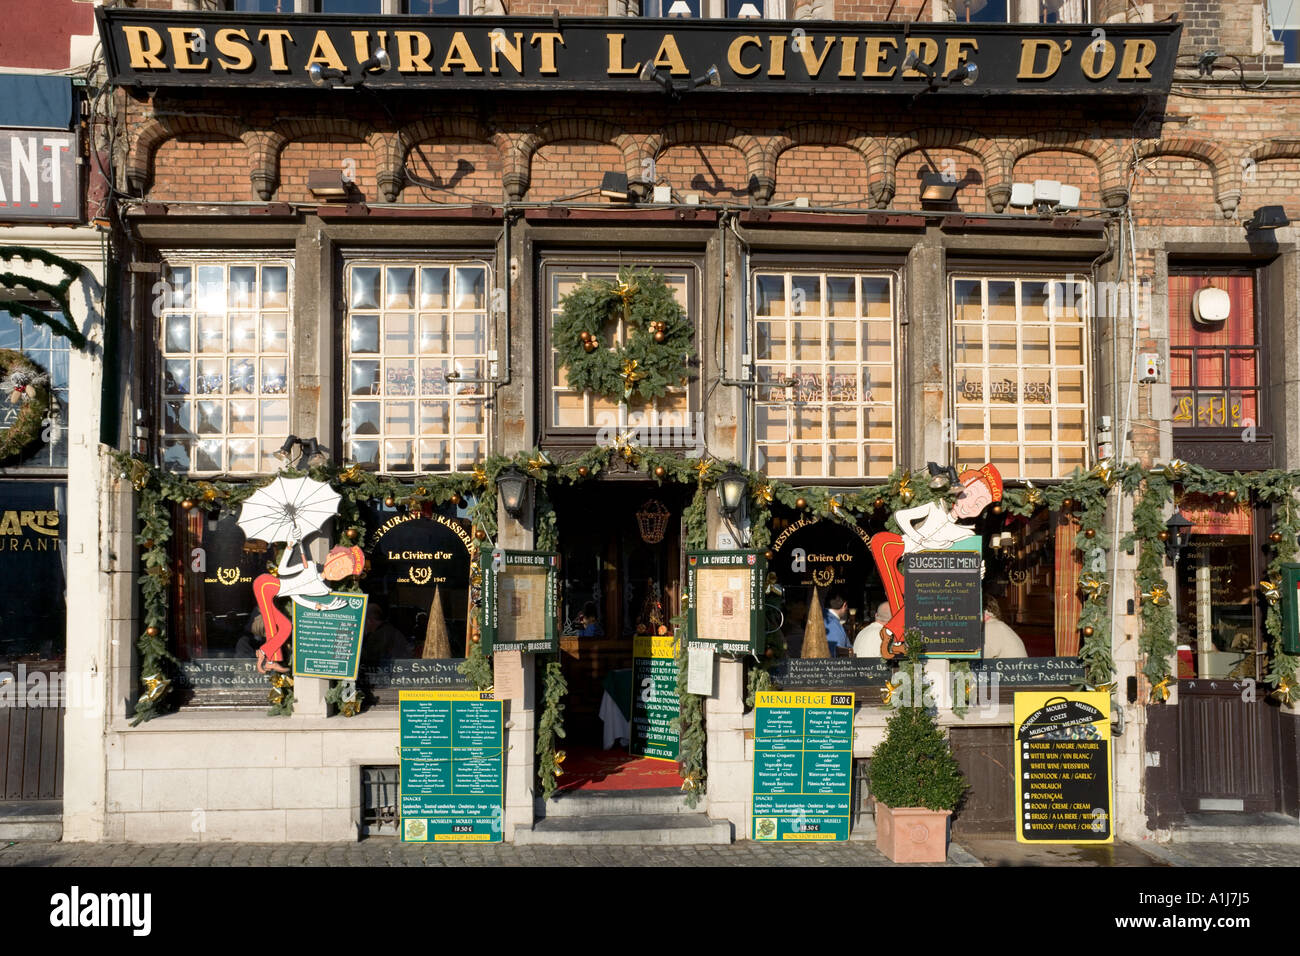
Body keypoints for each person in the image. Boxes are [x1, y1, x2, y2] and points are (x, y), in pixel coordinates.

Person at [869, 463, 1003, 658]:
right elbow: (902, 516)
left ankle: (894, 636)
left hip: (917, 568)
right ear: (961, 487)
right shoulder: (936, 507)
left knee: (919, 599)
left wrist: (977, 571)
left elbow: (966, 556)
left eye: (981, 504)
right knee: (880, 541)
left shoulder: (963, 533)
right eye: (972, 495)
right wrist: (916, 537)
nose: (973, 506)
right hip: (896, 546)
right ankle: (894, 635)